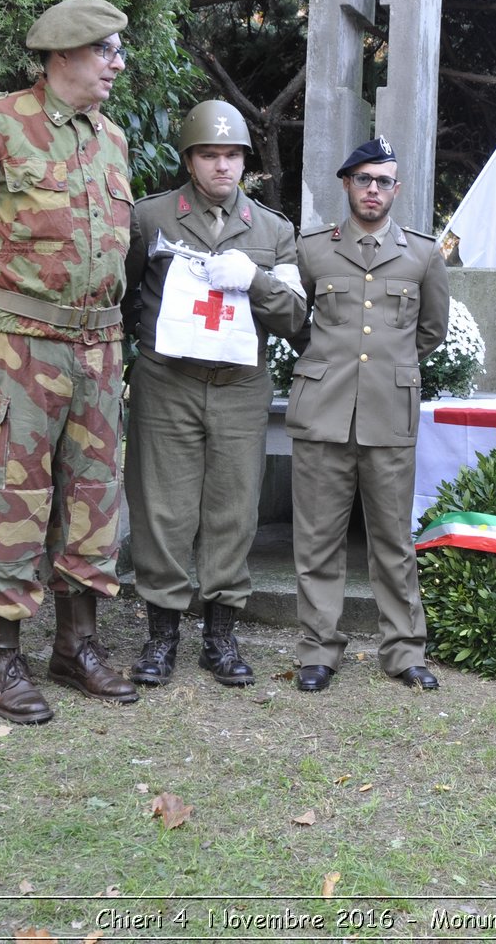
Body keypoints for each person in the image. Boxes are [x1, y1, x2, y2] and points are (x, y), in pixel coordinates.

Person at [0, 0, 139, 724]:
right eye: (106, 50)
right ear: (64, 54)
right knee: (10, 498)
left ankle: (76, 648)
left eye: (118, 51)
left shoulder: (112, 140)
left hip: (100, 350)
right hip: (21, 344)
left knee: (94, 497)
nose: (116, 64)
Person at [122, 101, 307, 688]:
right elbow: (126, 295)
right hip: (167, 383)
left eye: (231, 155)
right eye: (210, 154)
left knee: (232, 509)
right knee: (163, 509)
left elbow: (296, 317)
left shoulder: (274, 230)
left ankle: (220, 635)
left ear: (244, 161)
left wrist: (256, 280)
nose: (221, 165)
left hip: (240, 387)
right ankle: (161, 636)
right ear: (190, 159)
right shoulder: (151, 219)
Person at [285, 137, 450, 693]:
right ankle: (317, 651)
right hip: (323, 411)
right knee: (317, 539)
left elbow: (430, 332)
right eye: (363, 179)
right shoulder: (312, 250)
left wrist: (383, 369)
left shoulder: (424, 254)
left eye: (383, 181)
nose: (373, 189)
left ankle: (404, 651)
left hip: (388, 413)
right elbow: (293, 319)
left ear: (395, 189)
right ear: (347, 185)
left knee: (392, 541)